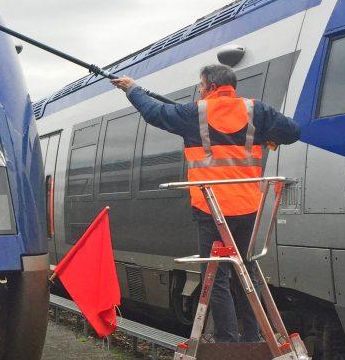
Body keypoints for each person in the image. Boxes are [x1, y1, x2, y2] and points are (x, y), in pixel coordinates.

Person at [111, 65, 300, 342]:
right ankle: (252, 336)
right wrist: (270, 137)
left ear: (211, 86)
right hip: (248, 206)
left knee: (218, 274)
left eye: (201, 86)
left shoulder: (194, 113)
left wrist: (131, 88)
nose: (200, 90)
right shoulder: (256, 111)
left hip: (211, 208)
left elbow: (154, 113)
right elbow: (293, 132)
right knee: (245, 270)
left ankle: (226, 338)